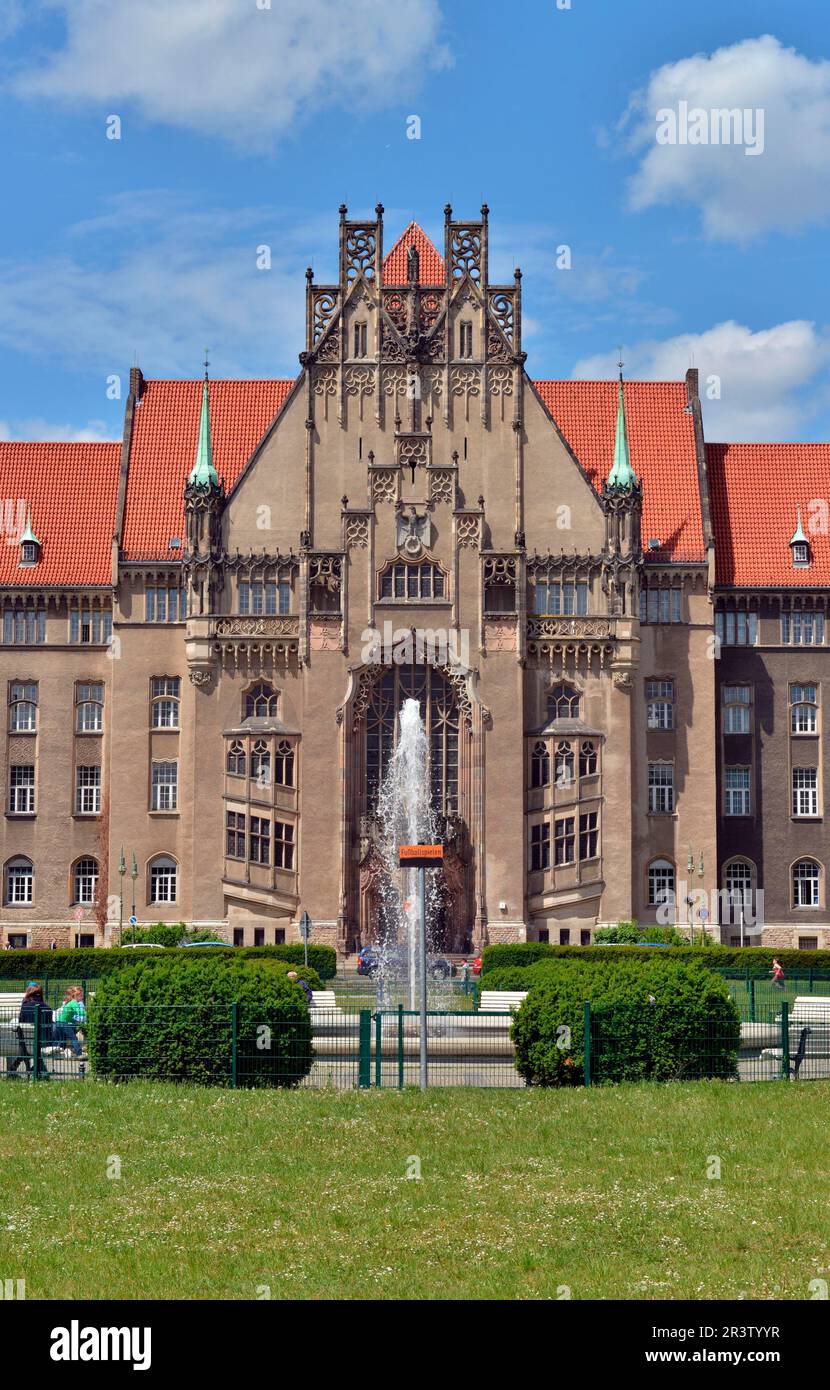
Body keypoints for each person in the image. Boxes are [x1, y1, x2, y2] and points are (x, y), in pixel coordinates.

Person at [8, 984, 53, 1077]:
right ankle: (35, 1069)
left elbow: (21, 1023)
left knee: (25, 1048)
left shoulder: (25, 1007)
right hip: (42, 1044)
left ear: (29, 994)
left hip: (26, 1044)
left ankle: (22, 1069)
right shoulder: (48, 1008)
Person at [53, 987, 87, 1058]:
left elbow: (73, 1015)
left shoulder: (71, 1002)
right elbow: (80, 1013)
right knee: (74, 1038)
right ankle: (79, 1054)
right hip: (64, 1023)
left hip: (58, 1022)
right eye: (81, 996)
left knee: (62, 1040)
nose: (82, 997)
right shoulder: (74, 1003)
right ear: (76, 996)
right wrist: (88, 1013)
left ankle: (57, 1055)